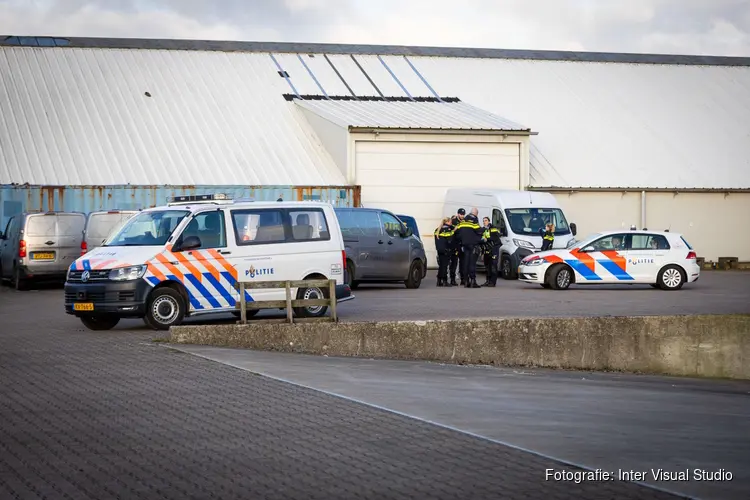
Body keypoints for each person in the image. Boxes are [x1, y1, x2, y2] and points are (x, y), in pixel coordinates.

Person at [454, 207, 484, 288]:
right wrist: (483, 230)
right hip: (472, 244)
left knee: (465, 263)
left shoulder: (463, 221)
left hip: (464, 244)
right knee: (472, 263)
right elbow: (479, 230)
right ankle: (473, 281)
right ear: (476, 214)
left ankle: (466, 281)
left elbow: (458, 232)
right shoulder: (474, 220)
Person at [480, 217, 501, 287]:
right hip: (486, 249)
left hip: (494, 249)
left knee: (493, 266)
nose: (484, 222)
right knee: (487, 266)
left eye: (486, 221)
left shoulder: (493, 228)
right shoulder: (484, 229)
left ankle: (493, 282)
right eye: (483, 221)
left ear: (489, 221)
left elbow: (496, 238)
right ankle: (488, 281)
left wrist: (487, 239)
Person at [433, 217, 454, 287]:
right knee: (444, 266)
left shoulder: (437, 230)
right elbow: (450, 241)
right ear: (447, 222)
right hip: (446, 250)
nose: (451, 223)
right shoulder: (448, 229)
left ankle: (439, 281)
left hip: (439, 250)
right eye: (450, 222)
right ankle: (444, 281)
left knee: (441, 266)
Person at [448, 208, 466, 286]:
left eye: (463, 214)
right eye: (461, 214)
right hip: (454, 244)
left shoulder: (465, 221)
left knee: (463, 263)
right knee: (454, 263)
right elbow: (452, 231)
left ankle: (463, 279)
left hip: (462, 244)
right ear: (458, 214)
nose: (462, 216)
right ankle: (452, 279)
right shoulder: (454, 221)